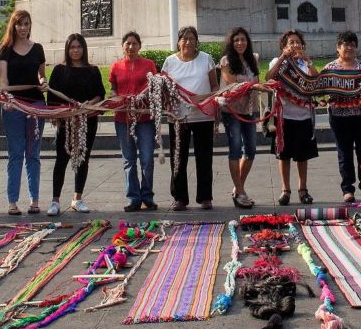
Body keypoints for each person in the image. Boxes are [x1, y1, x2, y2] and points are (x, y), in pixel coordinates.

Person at [46, 33, 106, 216]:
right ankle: (55, 201)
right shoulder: (59, 70)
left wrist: (88, 105)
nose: (75, 50)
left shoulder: (93, 70)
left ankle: (77, 198)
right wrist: (62, 114)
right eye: (72, 47)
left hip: (87, 121)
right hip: (66, 121)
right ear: (67, 49)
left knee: (83, 158)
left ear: (84, 49)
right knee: (61, 159)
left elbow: (100, 94)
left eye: (79, 47)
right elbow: (52, 98)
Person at [162, 26, 219, 211]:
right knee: (178, 158)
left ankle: (205, 197)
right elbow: (164, 90)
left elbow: (215, 87)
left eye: (191, 38)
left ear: (197, 41)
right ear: (178, 41)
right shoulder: (169, 62)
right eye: (184, 38)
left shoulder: (206, 59)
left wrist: (202, 99)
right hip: (179, 118)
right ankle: (179, 197)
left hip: (203, 116)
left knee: (204, 157)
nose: (188, 42)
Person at [0, 9, 47, 216]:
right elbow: (4, 80)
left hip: (36, 104)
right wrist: (7, 99)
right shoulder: (5, 50)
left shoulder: (38, 49)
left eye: (26, 24)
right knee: (16, 154)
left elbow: (41, 76)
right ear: (13, 26)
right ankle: (12, 201)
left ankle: (34, 200)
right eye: (19, 24)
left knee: (33, 154)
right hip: (14, 105)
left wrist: (44, 83)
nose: (23, 28)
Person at [266, 29, 318, 205]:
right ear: (284, 46)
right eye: (291, 43)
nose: (295, 45)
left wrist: (308, 61)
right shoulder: (278, 62)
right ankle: (285, 190)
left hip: (303, 116)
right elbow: (268, 78)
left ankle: (303, 189)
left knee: (302, 156)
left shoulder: (305, 64)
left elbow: (316, 82)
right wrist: (282, 58)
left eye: (298, 42)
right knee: (284, 154)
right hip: (284, 116)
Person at [110, 31, 158, 212]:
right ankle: (133, 198)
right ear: (123, 46)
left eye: (134, 43)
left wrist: (142, 100)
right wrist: (116, 99)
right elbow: (114, 90)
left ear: (139, 46)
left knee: (146, 159)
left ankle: (147, 196)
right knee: (128, 160)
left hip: (145, 118)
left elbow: (155, 88)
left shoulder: (149, 65)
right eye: (127, 43)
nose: (131, 47)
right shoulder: (116, 66)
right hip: (123, 118)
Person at [325, 30, 361, 203]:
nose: (350, 48)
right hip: (339, 117)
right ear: (338, 48)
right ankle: (348, 189)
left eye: (353, 45)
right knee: (344, 153)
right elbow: (322, 89)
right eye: (346, 44)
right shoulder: (330, 69)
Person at [219, 27, 261, 209]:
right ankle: (240, 191)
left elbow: (257, 82)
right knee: (235, 149)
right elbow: (232, 83)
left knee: (251, 150)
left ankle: (238, 188)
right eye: (236, 40)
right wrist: (252, 86)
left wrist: (260, 87)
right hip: (232, 111)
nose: (240, 43)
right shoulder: (226, 61)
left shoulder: (254, 59)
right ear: (231, 42)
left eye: (243, 40)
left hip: (249, 109)